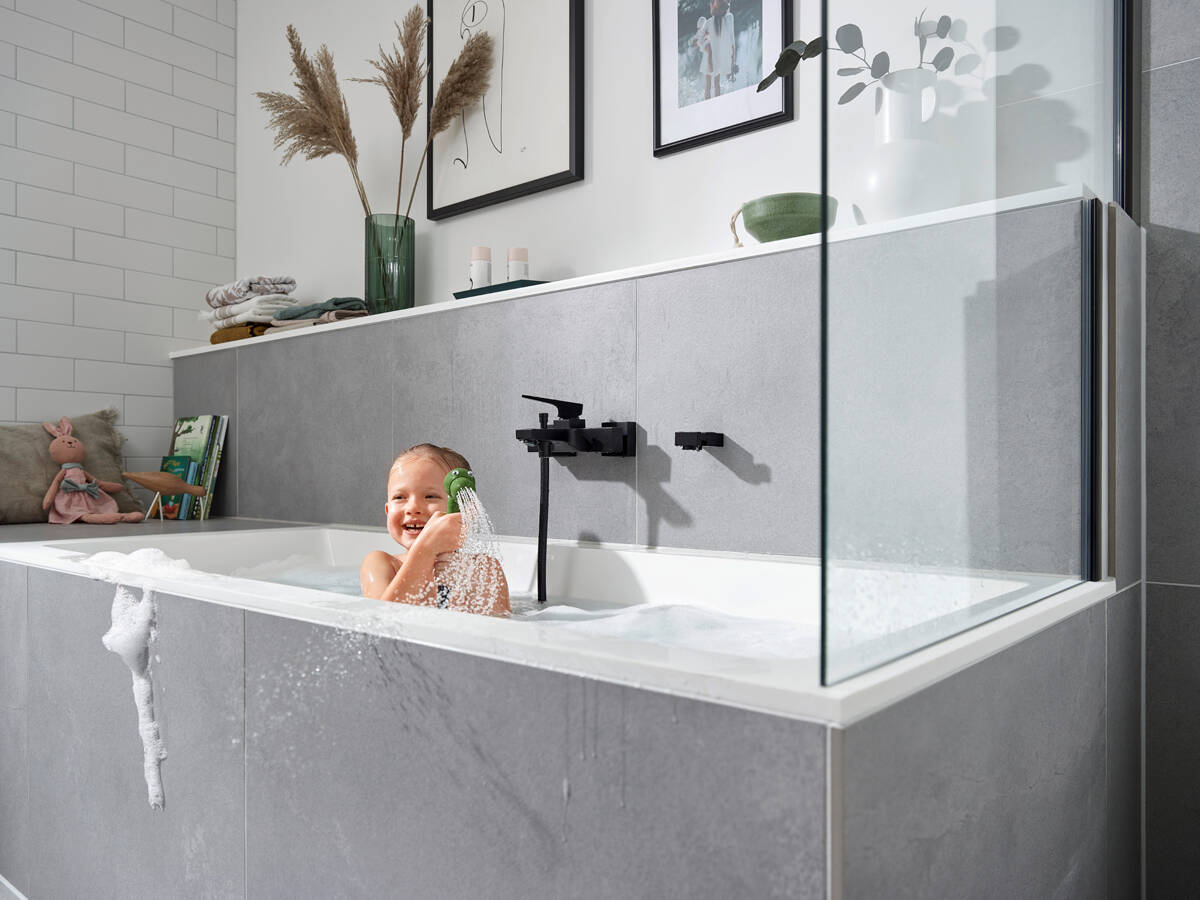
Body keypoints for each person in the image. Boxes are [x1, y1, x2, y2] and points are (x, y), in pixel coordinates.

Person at [360, 443, 510, 616]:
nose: (412, 508)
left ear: (464, 512)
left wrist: (472, 588)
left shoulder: (483, 569)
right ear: (387, 510)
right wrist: (426, 549)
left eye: (430, 496)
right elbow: (381, 621)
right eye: (400, 497)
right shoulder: (381, 563)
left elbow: (498, 626)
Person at [703, 0, 736, 99]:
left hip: (710, 59)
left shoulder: (708, 23)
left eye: (711, 3)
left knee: (708, 86)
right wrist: (732, 62)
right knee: (716, 85)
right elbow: (732, 42)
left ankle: (708, 103)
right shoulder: (729, 18)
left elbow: (702, 41)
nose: (710, 4)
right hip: (719, 58)